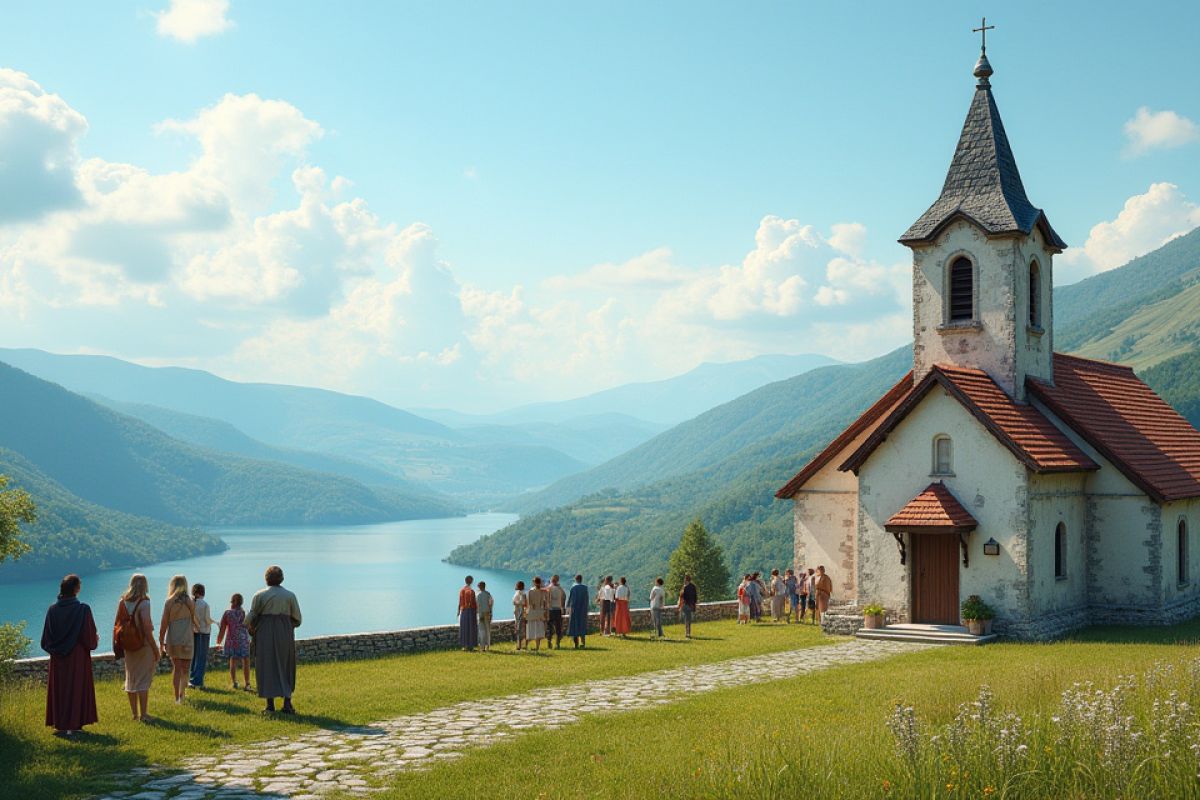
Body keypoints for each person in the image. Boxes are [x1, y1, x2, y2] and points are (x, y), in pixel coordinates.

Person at [41, 574, 98, 736]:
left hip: (58, 659)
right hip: (77, 656)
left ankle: (61, 724)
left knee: (61, 689)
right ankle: (74, 725)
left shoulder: (52, 610)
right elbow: (89, 638)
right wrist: (94, 639)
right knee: (76, 687)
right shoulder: (83, 609)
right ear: (76, 589)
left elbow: (46, 639)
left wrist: (57, 650)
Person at [246, 565, 302, 714]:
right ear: (281, 578)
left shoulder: (259, 595)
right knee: (286, 664)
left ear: (266, 579)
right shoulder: (290, 596)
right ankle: (287, 703)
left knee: (266, 665)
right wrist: (286, 625)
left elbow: (251, 616)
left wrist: (247, 627)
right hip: (284, 632)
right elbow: (297, 619)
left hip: (264, 632)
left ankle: (270, 705)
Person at [115, 573, 159, 722]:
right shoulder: (145, 603)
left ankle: (135, 715)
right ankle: (144, 714)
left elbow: (118, 624)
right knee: (143, 680)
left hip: (128, 644)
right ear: (145, 585)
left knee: (131, 678)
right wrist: (155, 649)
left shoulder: (122, 601)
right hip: (142, 645)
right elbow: (147, 629)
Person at [159, 574, 196, 704]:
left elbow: (164, 624)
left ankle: (177, 698)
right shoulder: (190, 601)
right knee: (185, 669)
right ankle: (182, 695)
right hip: (187, 639)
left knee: (177, 668)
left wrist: (161, 641)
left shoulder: (169, 601)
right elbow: (195, 620)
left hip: (174, 639)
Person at [216, 593, 252, 691]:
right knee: (246, 661)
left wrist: (218, 641)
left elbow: (222, 629)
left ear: (233, 602)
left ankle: (234, 682)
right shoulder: (245, 613)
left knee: (233, 661)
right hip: (244, 640)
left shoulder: (227, 613)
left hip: (232, 641)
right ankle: (247, 683)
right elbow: (249, 628)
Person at [189, 583, 215, 689]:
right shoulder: (204, 604)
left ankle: (191, 679)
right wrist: (214, 622)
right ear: (202, 592)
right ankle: (198, 682)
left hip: (193, 632)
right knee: (201, 658)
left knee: (194, 657)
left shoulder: (191, 603)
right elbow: (207, 620)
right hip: (204, 633)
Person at [525, 576, 549, 652]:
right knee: (538, 629)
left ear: (534, 582)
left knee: (530, 629)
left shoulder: (530, 591)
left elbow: (529, 603)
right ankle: (537, 647)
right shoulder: (542, 591)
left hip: (532, 611)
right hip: (539, 611)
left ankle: (526, 646)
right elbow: (543, 602)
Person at [567, 574, 590, 649]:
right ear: (581, 579)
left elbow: (571, 599)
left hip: (575, 609)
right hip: (583, 610)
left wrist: (569, 607)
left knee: (575, 626)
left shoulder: (574, 588)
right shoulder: (585, 588)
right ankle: (583, 643)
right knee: (582, 625)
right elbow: (586, 599)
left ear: (575, 579)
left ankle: (576, 644)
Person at [457, 575, 479, 652]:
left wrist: (458, 612)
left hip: (463, 611)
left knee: (464, 628)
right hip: (471, 611)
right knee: (471, 628)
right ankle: (471, 645)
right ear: (471, 581)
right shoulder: (472, 591)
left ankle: (464, 646)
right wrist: (476, 611)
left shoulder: (462, 590)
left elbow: (460, 602)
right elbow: (474, 603)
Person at [547, 575, 566, 649]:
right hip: (558, 609)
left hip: (551, 610)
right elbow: (564, 596)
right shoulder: (560, 589)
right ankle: (557, 643)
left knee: (549, 627)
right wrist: (562, 607)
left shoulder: (549, 588)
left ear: (552, 580)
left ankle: (549, 643)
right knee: (558, 627)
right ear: (557, 580)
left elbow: (546, 598)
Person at [678, 574, 698, 639]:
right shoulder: (693, 586)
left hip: (686, 605)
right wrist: (694, 604)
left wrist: (680, 605)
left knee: (686, 620)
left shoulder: (685, 587)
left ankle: (687, 634)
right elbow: (695, 597)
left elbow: (682, 596)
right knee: (689, 620)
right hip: (691, 605)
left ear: (686, 580)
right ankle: (688, 633)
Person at [476, 581, 494, 652]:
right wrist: (490, 612)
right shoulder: (488, 594)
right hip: (487, 613)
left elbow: (477, 606)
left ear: (479, 587)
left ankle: (482, 647)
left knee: (481, 630)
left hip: (481, 614)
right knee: (487, 630)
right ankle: (487, 646)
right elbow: (491, 603)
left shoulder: (478, 595)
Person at [512, 580, 527, 651]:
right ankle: (520, 645)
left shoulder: (522, 593)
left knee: (519, 628)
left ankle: (520, 645)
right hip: (518, 611)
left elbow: (523, 603)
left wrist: (515, 602)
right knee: (519, 628)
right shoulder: (519, 593)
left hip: (520, 612)